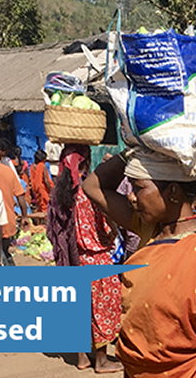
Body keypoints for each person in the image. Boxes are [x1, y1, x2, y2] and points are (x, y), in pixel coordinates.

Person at [83, 148, 196, 377]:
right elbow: (93, 187)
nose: (131, 196)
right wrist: (131, 151)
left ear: (173, 191)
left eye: (139, 188)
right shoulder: (150, 230)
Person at [46, 144, 122, 373]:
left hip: (72, 259)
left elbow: (53, 230)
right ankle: (101, 360)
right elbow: (106, 226)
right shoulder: (90, 192)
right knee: (101, 308)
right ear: (86, 162)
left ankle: (82, 358)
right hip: (96, 258)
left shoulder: (59, 195)